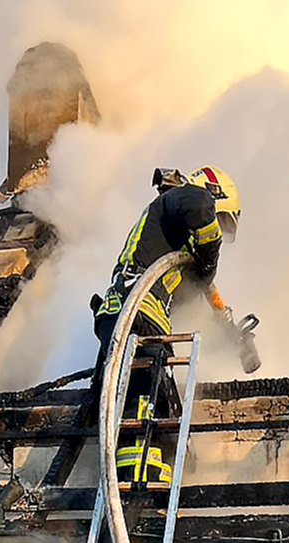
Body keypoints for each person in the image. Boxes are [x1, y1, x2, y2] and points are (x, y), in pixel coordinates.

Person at [90, 165, 242, 484]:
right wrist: (209, 259)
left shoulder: (166, 238)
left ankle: (150, 472)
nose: (216, 228)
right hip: (138, 315)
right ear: (216, 194)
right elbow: (199, 208)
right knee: (147, 396)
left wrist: (228, 333)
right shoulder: (187, 196)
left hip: (123, 317)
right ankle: (138, 481)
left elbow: (201, 296)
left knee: (153, 395)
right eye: (219, 218)